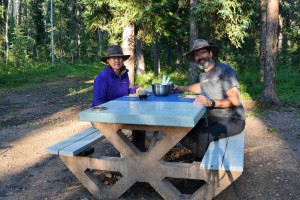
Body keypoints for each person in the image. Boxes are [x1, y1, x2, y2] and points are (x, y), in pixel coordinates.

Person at [175, 39, 246, 161]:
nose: (200, 56)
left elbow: (234, 100)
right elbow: (201, 86)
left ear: (210, 53)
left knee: (204, 136)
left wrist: (211, 103)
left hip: (234, 119)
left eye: (202, 52)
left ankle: (199, 171)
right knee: (182, 131)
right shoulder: (203, 74)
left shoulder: (225, 70)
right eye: (196, 54)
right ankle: (205, 156)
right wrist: (180, 88)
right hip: (213, 118)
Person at [92, 44, 145, 151]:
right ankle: (128, 158)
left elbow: (123, 93)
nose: (117, 60)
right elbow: (98, 102)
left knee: (140, 126)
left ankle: (139, 155)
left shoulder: (124, 74)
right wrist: (115, 112)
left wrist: (134, 90)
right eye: (114, 58)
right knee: (128, 131)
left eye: (119, 58)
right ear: (108, 61)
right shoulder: (102, 77)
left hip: (121, 115)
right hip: (101, 117)